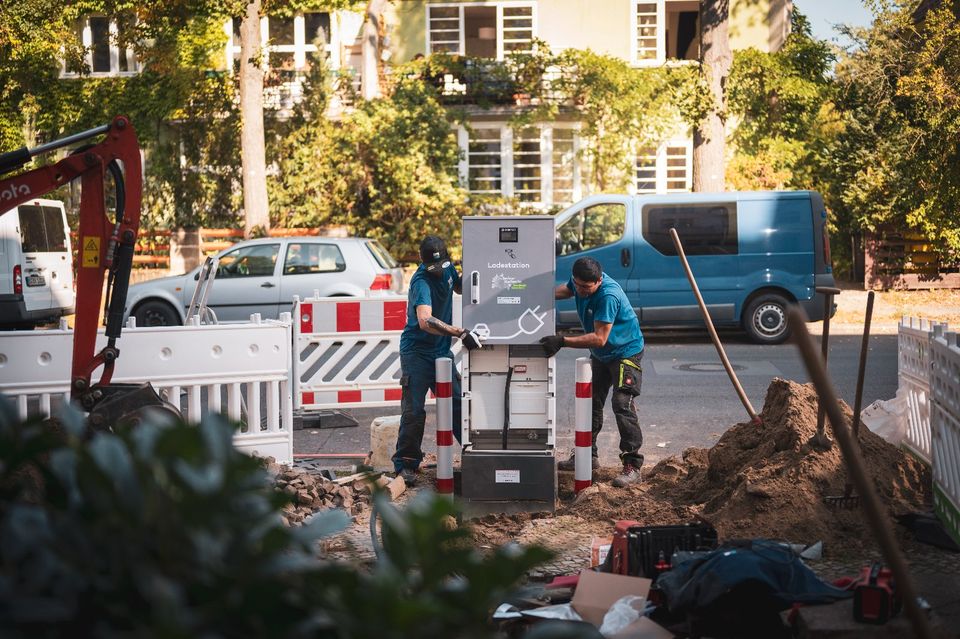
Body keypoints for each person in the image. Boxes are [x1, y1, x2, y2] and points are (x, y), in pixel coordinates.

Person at [540, 256, 645, 487]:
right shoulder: (579, 282)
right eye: (577, 284)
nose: (580, 290)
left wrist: (562, 341)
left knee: (622, 404)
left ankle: (633, 466)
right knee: (590, 403)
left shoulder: (608, 295)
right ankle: (588, 456)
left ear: (599, 280)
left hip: (625, 352)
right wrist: (534, 295)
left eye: (586, 287)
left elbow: (599, 338)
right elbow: (565, 291)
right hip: (602, 355)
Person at [392, 235, 481, 485]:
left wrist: (476, 265)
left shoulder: (447, 266)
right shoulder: (421, 281)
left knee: (456, 403)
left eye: (442, 266)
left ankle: (475, 453)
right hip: (417, 353)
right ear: (422, 262)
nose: (438, 272)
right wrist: (459, 332)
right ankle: (406, 464)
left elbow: (460, 286)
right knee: (414, 410)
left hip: (441, 352)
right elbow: (425, 320)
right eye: (433, 268)